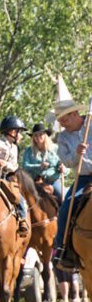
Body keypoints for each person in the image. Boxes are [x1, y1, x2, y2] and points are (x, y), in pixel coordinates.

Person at [52, 99, 92, 271]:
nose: (61, 124)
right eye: (59, 121)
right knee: (65, 207)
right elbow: (67, 162)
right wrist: (77, 154)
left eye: (64, 120)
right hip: (82, 178)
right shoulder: (63, 137)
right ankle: (62, 249)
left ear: (75, 114)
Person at [21, 123, 64, 199]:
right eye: (35, 135)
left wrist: (63, 169)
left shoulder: (56, 149)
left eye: (41, 134)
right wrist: (38, 166)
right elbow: (25, 166)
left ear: (45, 136)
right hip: (35, 182)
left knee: (64, 198)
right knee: (22, 199)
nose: (38, 137)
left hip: (53, 181)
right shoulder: (28, 151)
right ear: (33, 137)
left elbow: (64, 165)